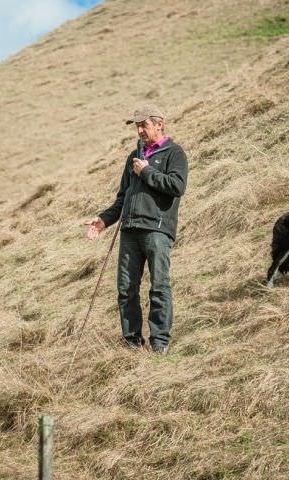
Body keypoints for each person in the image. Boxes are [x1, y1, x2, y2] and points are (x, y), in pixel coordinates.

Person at [85, 104, 188, 354]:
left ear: (159, 124)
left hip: (157, 230)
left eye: (144, 125)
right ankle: (132, 343)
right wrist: (104, 221)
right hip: (129, 231)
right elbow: (123, 197)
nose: (140, 130)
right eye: (137, 126)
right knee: (125, 289)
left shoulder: (174, 153)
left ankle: (159, 343)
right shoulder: (134, 156)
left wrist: (147, 171)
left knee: (159, 286)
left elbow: (177, 186)